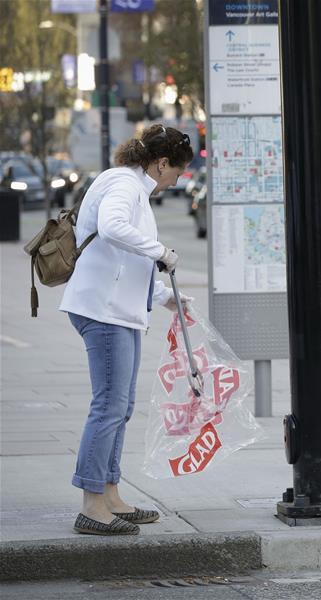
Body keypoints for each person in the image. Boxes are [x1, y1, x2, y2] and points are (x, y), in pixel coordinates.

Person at [59, 124, 195, 535]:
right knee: (109, 406)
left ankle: (110, 494)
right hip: (104, 311)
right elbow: (114, 226)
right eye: (177, 170)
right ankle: (92, 503)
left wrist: (161, 294)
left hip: (118, 309)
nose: (178, 178)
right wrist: (161, 252)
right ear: (160, 163)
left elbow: (120, 257)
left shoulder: (134, 186)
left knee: (121, 406)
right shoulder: (124, 183)